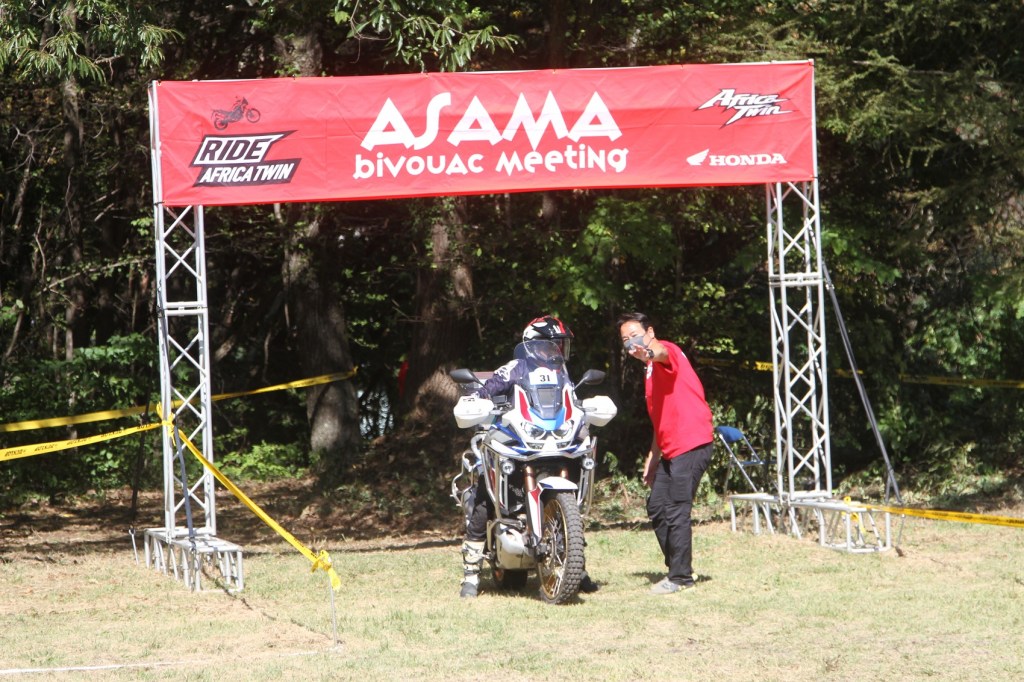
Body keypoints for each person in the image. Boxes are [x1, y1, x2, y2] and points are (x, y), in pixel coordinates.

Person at [459, 315, 599, 598]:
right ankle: (471, 574)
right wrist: (477, 400)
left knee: (573, 478)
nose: (557, 350)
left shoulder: (562, 373)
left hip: (552, 441)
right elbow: (488, 389)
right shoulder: (516, 367)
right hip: (519, 440)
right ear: (533, 345)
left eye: (560, 345)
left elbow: (570, 401)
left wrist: (584, 408)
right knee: (485, 500)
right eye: (552, 344)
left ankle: (576, 565)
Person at [617, 312, 714, 594]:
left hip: (691, 443)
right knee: (658, 505)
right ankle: (678, 566)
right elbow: (662, 417)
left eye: (635, 335)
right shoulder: (649, 371)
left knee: (676, 508)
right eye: (625, 339)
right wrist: (653, 455)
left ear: (650, 332)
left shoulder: (665, 351)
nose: (630, 342)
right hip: (670, 448)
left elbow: (661, 352)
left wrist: (648, 351)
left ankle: (680, 577)